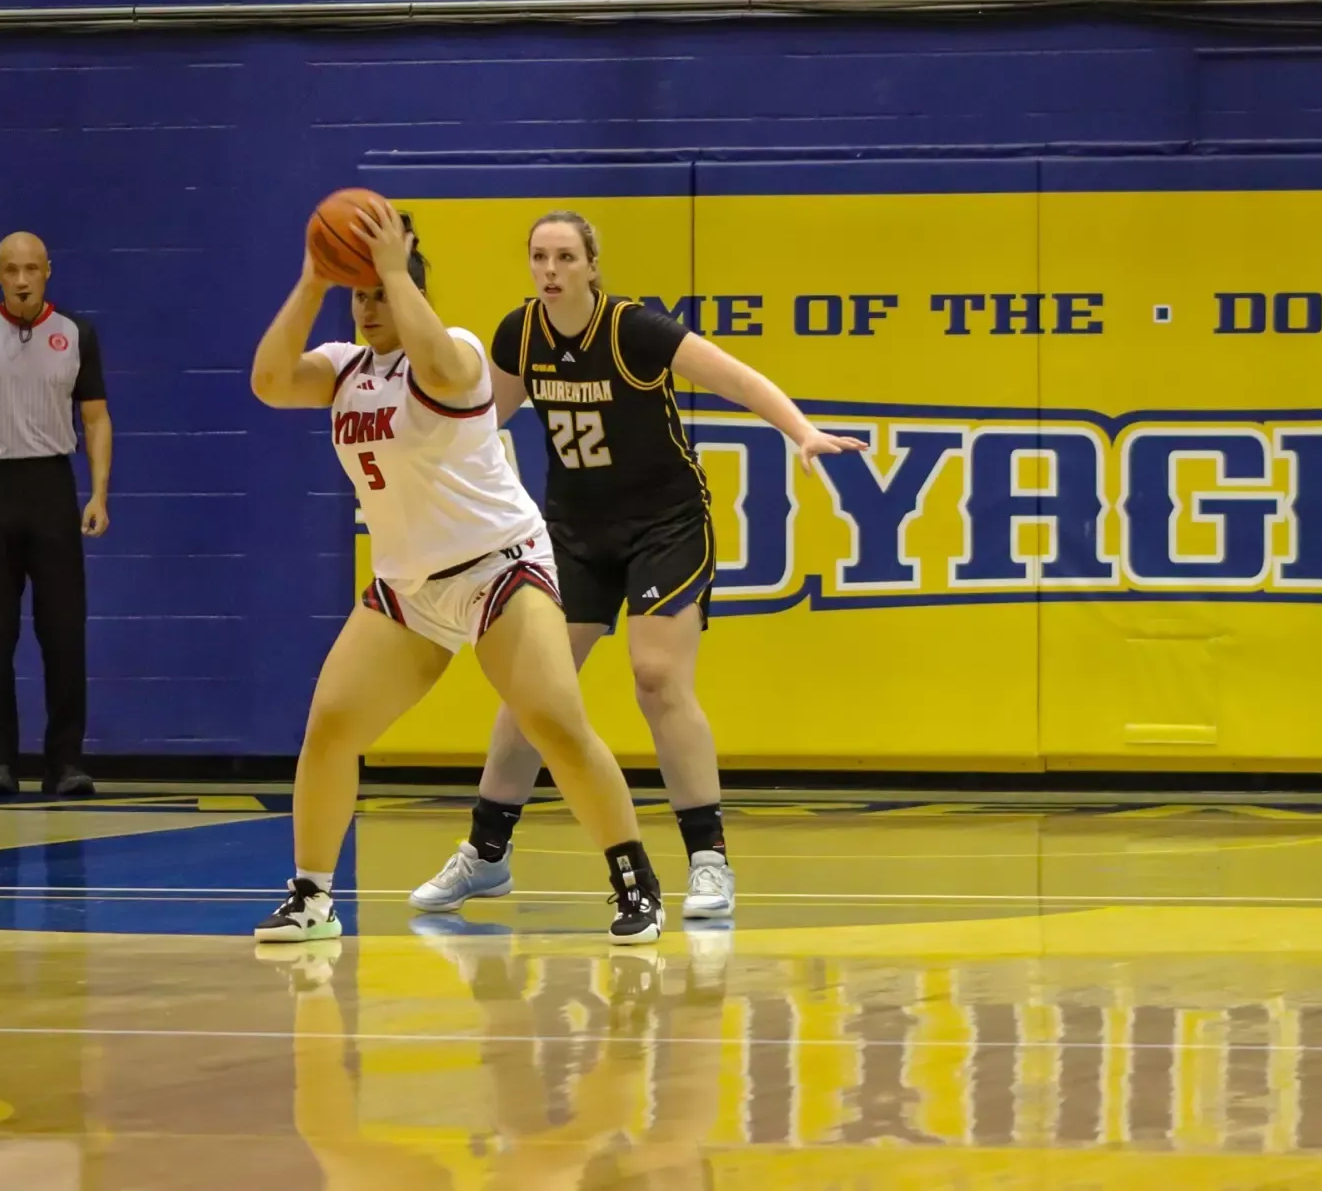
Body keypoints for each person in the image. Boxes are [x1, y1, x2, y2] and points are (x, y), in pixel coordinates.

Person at [409, 210, 866, 920]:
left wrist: (801, 430)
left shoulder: (633, 331)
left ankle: (709, 859)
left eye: (565, 256)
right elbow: (480, 423)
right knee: (534, 692)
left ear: (592, 265)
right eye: (540, 257)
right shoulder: (518, 334)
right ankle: (486, 854)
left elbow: (736, 378)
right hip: (572, 531)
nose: (551, 270)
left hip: (666, 524)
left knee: (657, 679)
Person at [248, 202, 664, 945]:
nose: (371, 307)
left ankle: (633, 877)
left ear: (411, 288)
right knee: (331, 727)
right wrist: (315, 279)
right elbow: (271, 382)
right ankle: (311, 896)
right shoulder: (345, 368)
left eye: (383, 291)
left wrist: (390, 268)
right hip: (409, 586)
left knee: (554, 724)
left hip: (498, 566)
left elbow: (436, 363)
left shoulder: (458, 354)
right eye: (362, 294)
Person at [0, 232, 110, 799]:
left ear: (47, 272)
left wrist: (99, 494)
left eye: (31, 268)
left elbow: (96, 420)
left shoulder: (76, 334)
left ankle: (65, 764)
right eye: (11, 269)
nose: (21, 279)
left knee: (64, 633)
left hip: (51, 488)